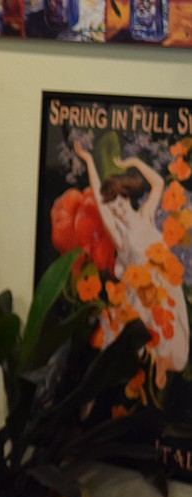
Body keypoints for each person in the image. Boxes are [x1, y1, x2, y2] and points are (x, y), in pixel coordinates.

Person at [75, 141, 190, 383]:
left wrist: (134, 163)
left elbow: (158, 183)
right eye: (113, 209)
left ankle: (160, 368)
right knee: (126, 354)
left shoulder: (146, 216)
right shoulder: (120, 238)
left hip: (165, 289)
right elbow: (98, 198)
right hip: (142, 298)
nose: (118, 211)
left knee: (175, 351)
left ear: (127, 197)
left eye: (120, 204)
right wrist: (88, 161)